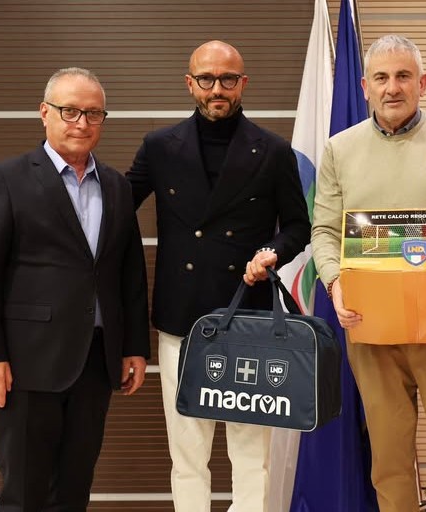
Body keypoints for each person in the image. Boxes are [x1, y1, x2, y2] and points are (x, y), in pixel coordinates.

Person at [126, 40, 310, 512]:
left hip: (247, 317)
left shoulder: (273, 150)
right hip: (181, 320)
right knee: (187, 453)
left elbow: (297, 226)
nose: (217, 89)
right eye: (206, 79)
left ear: (242, 83)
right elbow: (117, 205)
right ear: (190, 83)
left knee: (250, 454)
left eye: (227, 79)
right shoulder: (159, 147)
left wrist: (272, 252)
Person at [0, 67, 150, 511]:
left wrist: (134, 347)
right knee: (24, 493)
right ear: (44, 113)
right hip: (25, 365)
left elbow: (129, 274)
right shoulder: (4, 180)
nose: (82, 122)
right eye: (70, 111)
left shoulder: (117, 187)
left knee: (73, 491)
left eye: (93, 113)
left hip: (95, 362)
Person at [311, 34, 426, 512]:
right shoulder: (339, 149)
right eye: (382, 78)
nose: (393, 87)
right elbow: (324, 230)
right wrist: (335, 281)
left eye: (404, 76)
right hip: (372, 329)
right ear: (365, 86)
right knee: (388, 465)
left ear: (422, 83)